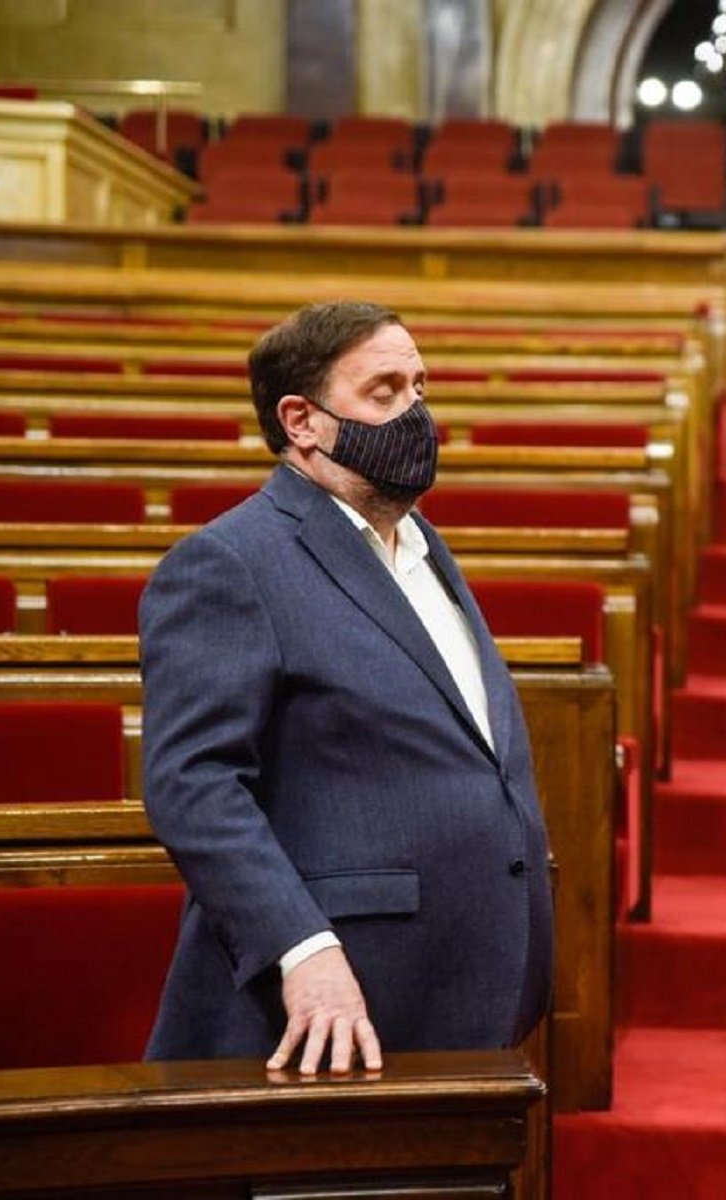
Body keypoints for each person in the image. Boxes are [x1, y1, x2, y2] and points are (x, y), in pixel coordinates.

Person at [140, 300, 553, 1075]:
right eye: (384, 392)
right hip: (336, 1008)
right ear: (302, 420)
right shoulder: (229, 562)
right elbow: (191, 785)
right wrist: (301, 949)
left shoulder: (422, 547)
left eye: (421, 389)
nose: (415, 414)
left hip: (466, 990)